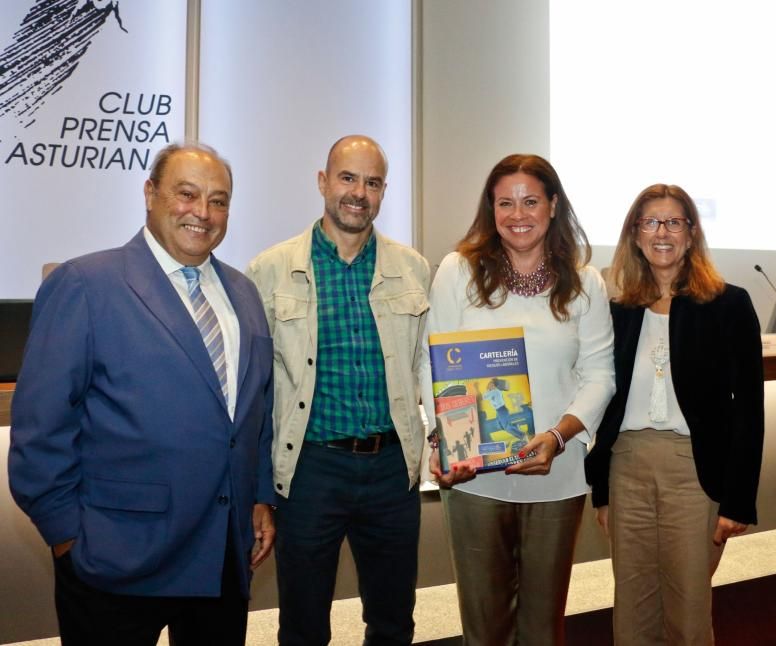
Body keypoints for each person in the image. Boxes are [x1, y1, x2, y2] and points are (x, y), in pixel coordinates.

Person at [8, 142, 277, 645]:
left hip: (222, 554)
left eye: (218, 200)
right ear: (150, 194)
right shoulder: (86, 284)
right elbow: (40, 428)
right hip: (115, 558)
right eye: (187, 194)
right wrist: (68, 537)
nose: (203, 212)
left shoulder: (244, 291)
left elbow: (255, 413)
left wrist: (259, 496)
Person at [421, 153, 615, 646]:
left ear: (553, 205)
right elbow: (434, 363)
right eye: (505, 202)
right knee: (484, 629)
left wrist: (556, 436)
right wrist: (445, 441)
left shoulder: (585, 282)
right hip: (474, 478)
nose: (518, 213)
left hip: (557, 473)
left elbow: (599, 377)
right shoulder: (457, 271)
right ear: (491, 208)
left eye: (530, 201)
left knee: (542, 628)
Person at [246, 135, 430, 646]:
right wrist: (261, 487)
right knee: (303, 626)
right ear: (323, 182)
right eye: (348, 178)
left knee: (393, 622)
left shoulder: (412, 268)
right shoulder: (270, 269)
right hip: (311, 470)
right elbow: (256, 391)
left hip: (392, 469)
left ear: (384, 191)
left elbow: (428, 367)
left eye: (372, 182)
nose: (359, 193)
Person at [584, 183, 764, 645]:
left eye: (673, 222)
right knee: (633, 610)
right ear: (635, 234)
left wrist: (738, 499)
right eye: (650, 222)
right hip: (628, 469)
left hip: (693, 471)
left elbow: (748, 409)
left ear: (691, 232)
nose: (661, 232)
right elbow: (602, 400)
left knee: (687, 610)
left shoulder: (729, 304)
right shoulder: (617, 310)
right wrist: (600, 488)